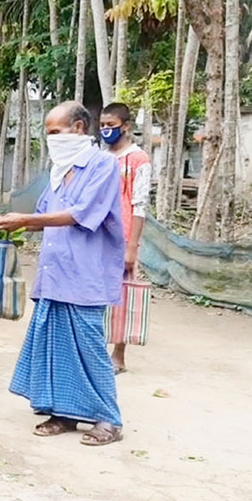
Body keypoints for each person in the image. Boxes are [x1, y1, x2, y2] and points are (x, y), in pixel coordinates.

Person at [0, 101, 125, 447]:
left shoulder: (102, 165)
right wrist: (1, 220)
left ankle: (109, 419)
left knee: (90, 347)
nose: (51, 140)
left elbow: (81, 213)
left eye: (55, 133)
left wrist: (25, 220)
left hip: (84, 274)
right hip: (55, 273)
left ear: (78, 129)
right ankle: (64, 412)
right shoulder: (59, 172)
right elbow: (43, 214)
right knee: (56, 346)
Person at [100, 102, 151, 374]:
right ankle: (96, 349)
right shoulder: (99, 156)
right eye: (103, 126)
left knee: (122, 294)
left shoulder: (137, 159)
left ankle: (118, 355)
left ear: (126, 126)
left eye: (112, 126)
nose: (106, 131)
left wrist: (132, 247)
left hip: (123, 236)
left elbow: (140, 204)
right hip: (96, 235)